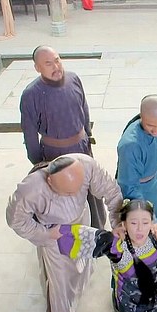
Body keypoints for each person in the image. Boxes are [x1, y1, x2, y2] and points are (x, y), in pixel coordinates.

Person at [6, 154, 123, 312]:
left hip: (81, 221)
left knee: (82, 268)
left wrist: (117, 222)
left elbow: (112, 192)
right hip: (55, 233)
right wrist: (45, 234)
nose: (74, 194)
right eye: (68, 192)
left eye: (78, 188)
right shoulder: (32, 188)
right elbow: (15, 219)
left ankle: (75, 300)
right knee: (59, 284)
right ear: (50, 181)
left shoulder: (86, 165)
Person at [20, 45, 108, 227]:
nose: (56, 67)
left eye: (57, 60)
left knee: (89, 187)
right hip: (55, 153)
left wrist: (87, 134)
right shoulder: (31, 94)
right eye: (48, 64)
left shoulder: (73, 79)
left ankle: (96, 226)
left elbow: (83, 107)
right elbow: (29, 133)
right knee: (64, 195)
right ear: (37, 68)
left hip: (82, 147)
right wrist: (40, 163)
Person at [116, 95, 157, 224]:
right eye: (150, 126)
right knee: (146, 229)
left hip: (156, 182)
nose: (156, 132)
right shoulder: (130, 145)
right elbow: (128, 187)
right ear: (142, 116)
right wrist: (149, 216)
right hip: (139, 190)